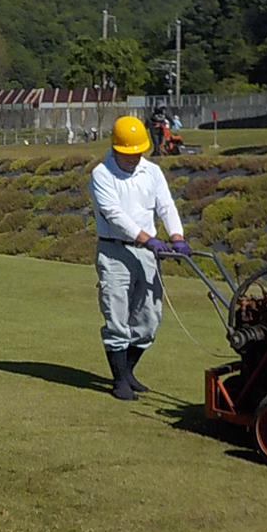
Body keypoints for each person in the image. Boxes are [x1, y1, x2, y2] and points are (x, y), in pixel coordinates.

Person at [88, 115, 192, 401]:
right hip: (114, 250)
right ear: (116, 149)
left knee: (149, 316)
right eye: (128, 153)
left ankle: (129, 370)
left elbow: (166, 205)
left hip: (148, 252)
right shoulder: (102, 174)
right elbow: (115, 216)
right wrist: (149, 239)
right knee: (116, 313)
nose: (134, 158)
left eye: (138, 152)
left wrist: (177, 236)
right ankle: (120, 380)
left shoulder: (152, 172)